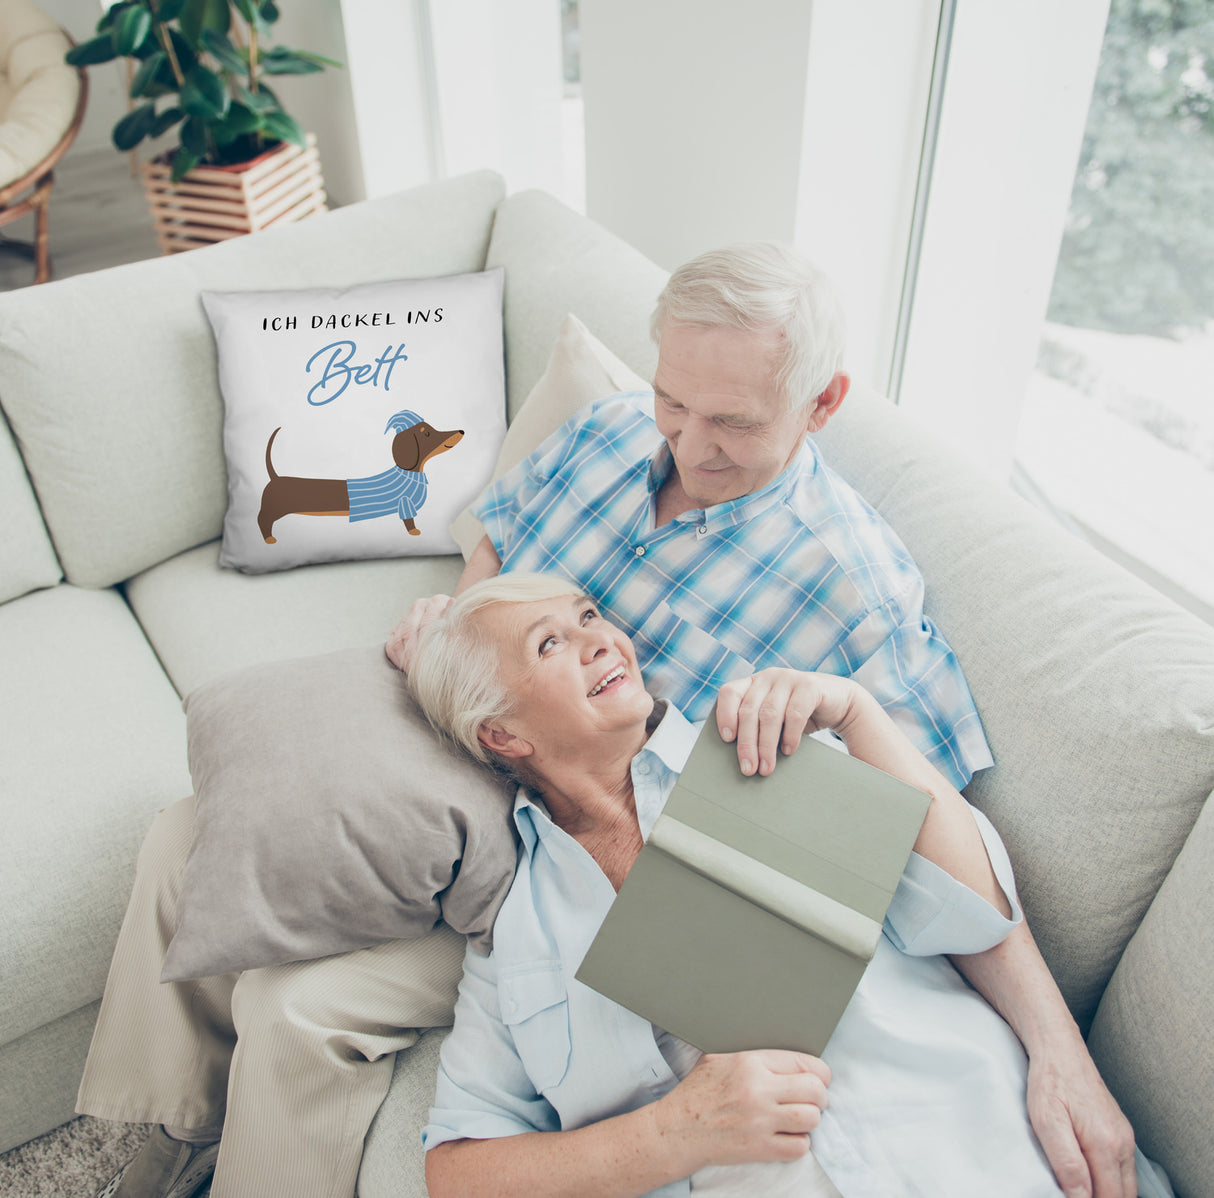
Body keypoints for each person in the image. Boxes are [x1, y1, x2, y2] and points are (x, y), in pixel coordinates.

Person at [389, 243, 1137, 1197]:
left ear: (822, 404)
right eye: (674, 402)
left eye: (732, 422)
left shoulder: (829, 648)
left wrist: (1058, 1053)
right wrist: (461, 647)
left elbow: (944, 868)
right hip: (492, 819)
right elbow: (499, 538)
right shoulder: (607, 434)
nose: (688, 446)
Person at [407, 573, 1162, 1198]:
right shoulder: (516, 935)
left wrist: (859, 715)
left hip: (984, 1151)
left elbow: (973, 913)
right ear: (502, 734)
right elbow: (458, 1171)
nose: (601, 638)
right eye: (551, 643)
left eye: (589, 616)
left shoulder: (763, 746)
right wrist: (673, 1134)